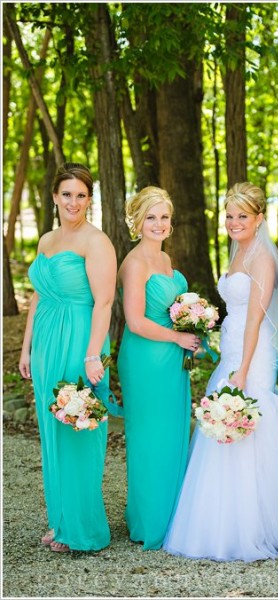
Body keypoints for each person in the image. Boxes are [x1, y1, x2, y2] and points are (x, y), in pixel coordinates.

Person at [163, 182, 278, 561]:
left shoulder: (262, 259)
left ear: (259, 219)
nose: (234, 222)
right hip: (232, 349)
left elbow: (257, 319)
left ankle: (250, 528)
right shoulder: (238, 251)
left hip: (251, 355)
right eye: (229, 216)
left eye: (242, 216)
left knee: (247, 426)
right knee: (221, 428)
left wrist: (241, 369)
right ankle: (215, 523)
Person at [18, 162, 115, 552]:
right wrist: (26, 349)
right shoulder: (46, 240)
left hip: (80, 340)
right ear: (55, 197)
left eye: (81, 195)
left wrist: (93, 355)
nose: (73, 201)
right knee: (52, 431)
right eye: (66, 194)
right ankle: (60, 520)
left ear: (89, 199)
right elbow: (38, 297)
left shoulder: (96, 242)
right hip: (45, 341)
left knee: (77, 428)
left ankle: (83, 528)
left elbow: (105, 302)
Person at [117, 186, 199, 550]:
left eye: (164, 217)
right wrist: (179, 338)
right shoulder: (134, 263)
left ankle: (173, 518)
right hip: (146, 359)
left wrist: (192, 329)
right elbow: (135, 321)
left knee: (172, 435)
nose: (159, 223)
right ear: (137, 221)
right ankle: (150, 522)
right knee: (150, 438)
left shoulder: (166, 262)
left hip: (171, 361)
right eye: (151, 217)